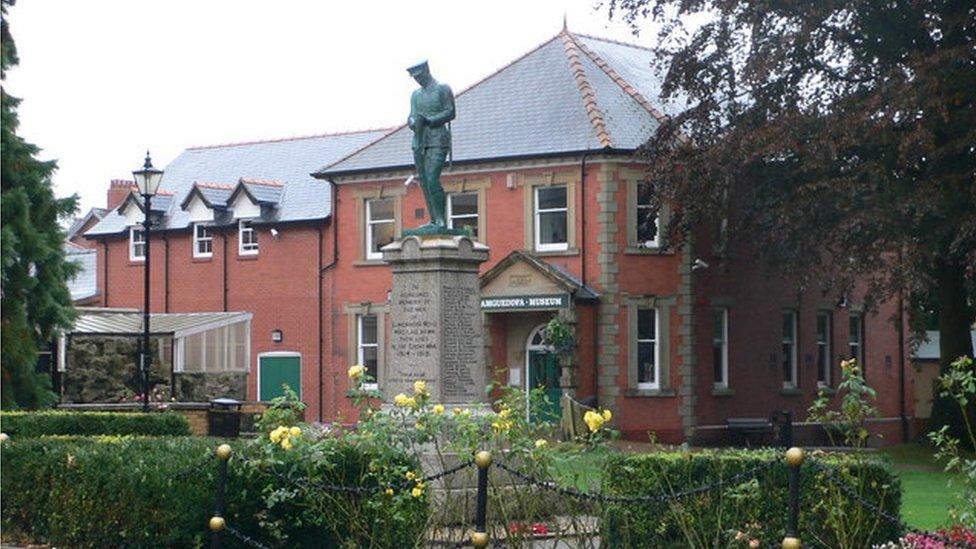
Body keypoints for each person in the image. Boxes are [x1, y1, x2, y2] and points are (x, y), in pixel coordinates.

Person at [407, 60, 455, 229]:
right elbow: (411, 116)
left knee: (433, 178)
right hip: (419, 141)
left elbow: (450, 112)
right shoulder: (415, 95)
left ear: (427, 71)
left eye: (419, 76)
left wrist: (430, 120)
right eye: (415, 78)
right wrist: (413, 122)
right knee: (425, 181)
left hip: (438, 139)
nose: (417, 80)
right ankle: (433, 219)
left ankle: (441, 220)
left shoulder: (443, 89)